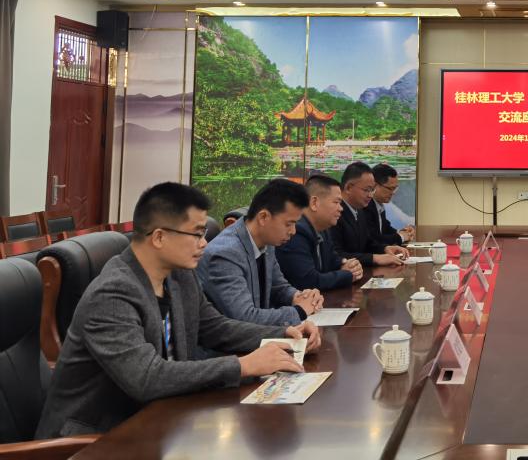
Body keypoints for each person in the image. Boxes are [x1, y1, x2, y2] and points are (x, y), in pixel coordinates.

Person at [36, 183, 320, 439]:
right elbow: (147, 377)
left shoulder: (179, 275)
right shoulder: (112, 294)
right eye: (196, 234)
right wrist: (243, 365)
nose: (204, 243)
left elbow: (214, 327)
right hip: (94, 440)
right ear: (159, 237)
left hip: (161, 418)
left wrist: (284, 333)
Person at [197, 178, 323, 325]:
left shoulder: (266, 242)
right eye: (289, 224)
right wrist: (300, 311)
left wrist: (300, 296)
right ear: (263, 217)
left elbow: (278, 287)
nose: (293, 231)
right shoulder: (225, 254)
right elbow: (245, 317)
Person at [278, 174, 364, 290]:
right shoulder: (296, 231)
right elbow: (309, 281)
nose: (341, 208)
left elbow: (332, 259)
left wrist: (347, 264)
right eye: (336, 202)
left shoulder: (323, 229)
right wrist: (348, 274)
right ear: (314, 203)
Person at [331, 161, 409, 267]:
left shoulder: (359, 211)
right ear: (348, 187)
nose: (370, 195)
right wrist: (374, 258)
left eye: (372, 190)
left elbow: (367, 243)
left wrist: (385, 249)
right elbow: (336, 255)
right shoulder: (334, 213)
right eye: (367, 190)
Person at [367, 162, 415, 247]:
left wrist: (402, 231)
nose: (393, 193)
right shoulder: (365, 206)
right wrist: (401, 237)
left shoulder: (379, 204)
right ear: (375, 185)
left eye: (395, 188)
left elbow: (385, 228)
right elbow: (374, 239)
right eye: (390, 188)